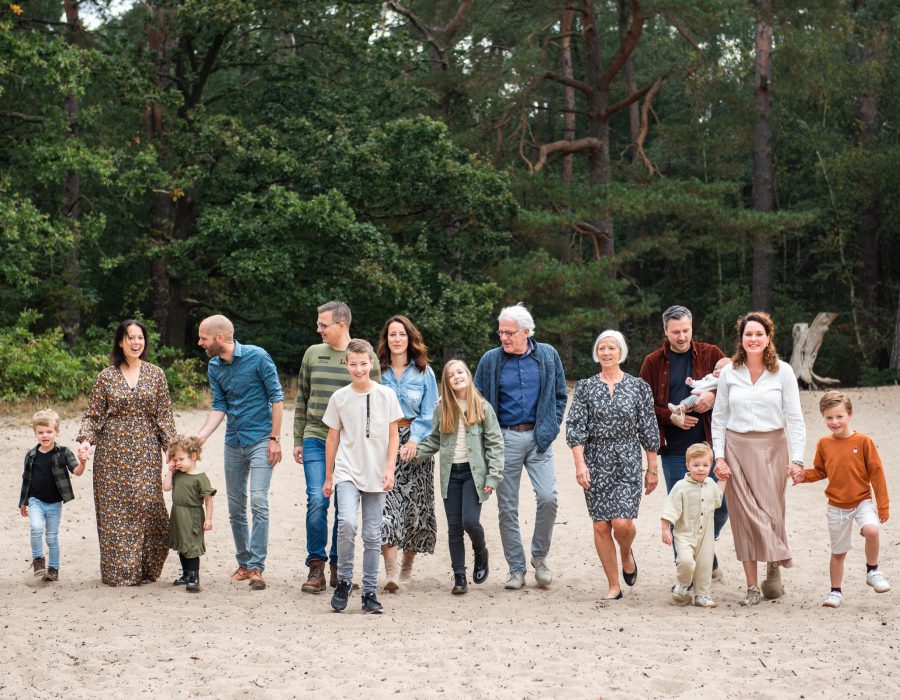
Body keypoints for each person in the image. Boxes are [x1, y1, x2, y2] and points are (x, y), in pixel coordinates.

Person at [712, 311, 806, 606]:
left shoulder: (783, 371)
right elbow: (719, 418)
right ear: (741, 339)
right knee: (745, 519)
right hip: (736, 447)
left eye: (759, 334)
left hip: (773, 449)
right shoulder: (729, 373)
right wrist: (718, 456)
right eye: (748, 334)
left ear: (768, 338)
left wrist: (799, 459)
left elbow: (795, 418)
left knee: (771, 513)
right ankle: (752, 587)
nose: (753, 339)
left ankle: (774, 565)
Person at [474, 303, 567, 590]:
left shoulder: (548, 355)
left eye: (509, 332)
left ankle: (540, 558)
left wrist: (550, 428)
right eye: (500, 332)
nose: (503, 337)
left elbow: (560, 396)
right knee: (507, 508)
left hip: (539, 439)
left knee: (548, 497)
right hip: (504, 440)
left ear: (527, 331)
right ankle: (516, 569)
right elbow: (477, 398)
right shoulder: (491, 360)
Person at [77, 319, 176, 586]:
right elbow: (94, 415)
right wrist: (86, 440)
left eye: (140, 338)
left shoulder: (156, 374)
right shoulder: (106, 376)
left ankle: (146, 568)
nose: (136, 343)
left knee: (149, 507)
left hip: (146, 451)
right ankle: (120, 573)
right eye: (130, 338)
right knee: (114, 512)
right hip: (112, 454)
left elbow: (164, 416)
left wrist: (173, 450)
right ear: (120, 341)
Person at [293, 300, 381, 593]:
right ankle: (315, 565)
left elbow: (375, 404)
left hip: (352, 444)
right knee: (318, 500)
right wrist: (297, 439)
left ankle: (337, 565)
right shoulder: (312, 354)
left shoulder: (364, 356)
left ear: (341, 325)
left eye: (323, 325)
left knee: (345, 508)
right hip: (317, 437)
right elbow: (301, 398)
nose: (318, 329)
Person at [567, 330, 660, 600]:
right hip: (595, 458)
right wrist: (580, 464)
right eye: (602, 348)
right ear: (597, 353)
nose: (606, 353)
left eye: (612, 348)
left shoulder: (638, 387)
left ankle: (626, 553)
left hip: (628, 458)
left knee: (623, 524)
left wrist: (652, 468)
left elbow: (649, 429)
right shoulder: (585, 387)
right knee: (600, 525)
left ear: (621, 352)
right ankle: (613, 585)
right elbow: (576, 428)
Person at [639, 305, 728, 578]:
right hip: (675, 449)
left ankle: (704, 549)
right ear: (665, 331)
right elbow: (643, 407)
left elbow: (738, 388)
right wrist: (669, 417)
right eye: (675, 332)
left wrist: (713, 398)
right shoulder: (653, 362)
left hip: (711, 444)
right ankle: (686, 574)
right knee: (682, 510)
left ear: (692, 327)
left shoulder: (712, 353)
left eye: (686, 331)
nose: (681, 337)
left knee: (722, 506)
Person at [196, 315, 284, 591]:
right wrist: (201, 436)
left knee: (258, 500)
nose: (200, 343)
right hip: (233, 441)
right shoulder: (214, 366)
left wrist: (275, 439)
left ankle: (257, 566)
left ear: (220, 338)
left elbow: (277, 398)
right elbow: (219, 405)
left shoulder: (258, 357)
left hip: (261, 439)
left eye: (204, 338)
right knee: (235, 507)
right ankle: (244, 564)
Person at [322, 339, 403, 614]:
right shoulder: (339, 398)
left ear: (371, 363)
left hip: (377, 473)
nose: (358, 369)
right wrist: (328, 476)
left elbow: (394, 435)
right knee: (345, 523)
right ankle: (344, 580)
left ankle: (369, 591)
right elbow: (332, 439)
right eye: (353, 364)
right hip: (347, 470)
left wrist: (390, 468)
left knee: (371, 533)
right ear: (346, 364)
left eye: (363, 364)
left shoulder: (386, 395)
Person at [789, 391, 890, 608]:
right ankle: (835, 591)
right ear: (823, 417)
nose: (835, 422)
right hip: (836, 506)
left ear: (850, 414)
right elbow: (820, 470)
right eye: (829, 418)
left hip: (862, 500)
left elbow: (877, 474)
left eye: (839, 416)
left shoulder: (864, 441)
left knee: (872, 530)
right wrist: (802, 475)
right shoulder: (824, 443)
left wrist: (883, 506)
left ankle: (872, 570)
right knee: (838, 552)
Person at [415, 360, 505, 594]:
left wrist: (493, 476)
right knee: (454, 527)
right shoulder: (442, 408)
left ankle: (481, 550)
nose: (456, 376)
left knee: (470, 522)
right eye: (450, 374)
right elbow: (434, 440)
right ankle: (459, 577)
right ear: (446, 382)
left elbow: (495, 444)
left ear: (468, 374)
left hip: (474, 475)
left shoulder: (483, 407)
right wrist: (413, 453)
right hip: (450, 474)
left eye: (460, 372)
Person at [376, 315, 438, 591]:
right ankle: (390, 571)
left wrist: (413, 441)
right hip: (383, 443)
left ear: (410, 338)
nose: (397, 339)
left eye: (401, 334)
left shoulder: (425, 372)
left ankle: (407, 567)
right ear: (386, 339)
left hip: (417, 443)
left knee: (415, 509)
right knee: (386, 507)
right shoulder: (378, 371)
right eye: (392, 335)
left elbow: (429, 413)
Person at [19, 410, 87, 582]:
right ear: (35, 433)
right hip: (36, 501)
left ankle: (53, 569)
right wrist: (23, 503)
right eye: (40, 432)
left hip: (55, 503)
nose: (45, 435)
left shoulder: (63, 452)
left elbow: (77, 472)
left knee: (51, 537)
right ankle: (38, 560)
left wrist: (83, 462)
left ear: (57, 431)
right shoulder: (31, 455)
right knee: (35, 528)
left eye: (49, 431)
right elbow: (26, 479)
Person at [661, 442, 723, 608]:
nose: (701, 469)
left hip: (706, 536)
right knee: (686, 561)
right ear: (688, 465)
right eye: (696, 465)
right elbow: (670, 508)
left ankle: (702, 595)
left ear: (711, 466)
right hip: (684, 534)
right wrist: (665, 529)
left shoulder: (711, 484)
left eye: (705, 465)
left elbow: (718, 501)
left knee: (704, 565)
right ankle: (682, 584)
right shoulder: (681, 487)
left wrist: (723, 480)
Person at [163, 435, 216, 593]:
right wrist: (170, 471)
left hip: (192, 516)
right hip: (178, 514)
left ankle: (194, 578)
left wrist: (209, 519)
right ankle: (186, 574)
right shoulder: (177, 474)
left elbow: (208, 500)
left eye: (181, 459)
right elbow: (166, 487)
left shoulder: (200, 478)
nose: (178, 463)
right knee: (182, 546)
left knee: (191, 547)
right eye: (175, 460)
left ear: (193, 456)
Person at [668, 358, 732, 427]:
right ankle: (680, 413)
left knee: (693, 398)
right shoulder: (710, 377)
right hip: (699, 395)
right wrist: (692, 383)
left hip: (710, 405)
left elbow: (730, 391)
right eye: (715, 369)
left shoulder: (724, 380)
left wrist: (713, 394)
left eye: (721, 370)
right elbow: (701, 383)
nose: (717, 371)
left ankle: (680, 408)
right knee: (693, 398)